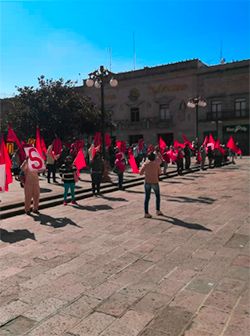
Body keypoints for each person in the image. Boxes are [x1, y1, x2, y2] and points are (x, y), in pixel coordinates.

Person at [139, 152, 163, 218]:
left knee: (147, 197)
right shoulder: (156, 164)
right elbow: (160, 173)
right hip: (155, 181)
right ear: (154, 158)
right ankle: (158, 210)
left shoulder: (145, 164)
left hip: (147, 182)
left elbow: (140, 173)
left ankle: (146, 213)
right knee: (157, 196)